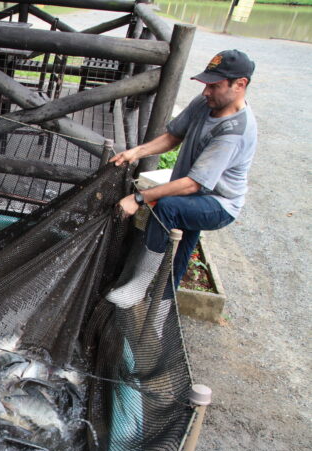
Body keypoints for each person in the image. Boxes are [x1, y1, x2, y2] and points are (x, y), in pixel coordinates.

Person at [105, 49, 257, 310]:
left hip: (218, 204)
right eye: (206, 84)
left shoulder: (235, 132)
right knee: (181, 248)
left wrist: (138, 198)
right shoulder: (205, 103)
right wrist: (136, 152)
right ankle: (162, 313)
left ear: (240, 84)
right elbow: (173, 136)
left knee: (168, 208)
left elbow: (193, 184)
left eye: (215, 85)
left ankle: (140, 286)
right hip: (193, 195)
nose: (206, 91)